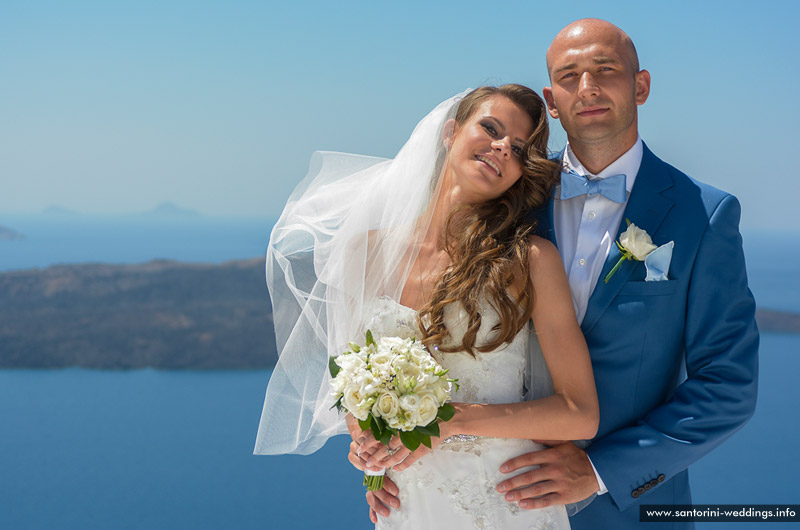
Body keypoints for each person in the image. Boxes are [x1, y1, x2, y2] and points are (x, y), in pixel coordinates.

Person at [359, 19, 759, 530]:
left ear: (641, 85)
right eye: (570, 75)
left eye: (605, 70)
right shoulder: (506, 194)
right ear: (551, 98)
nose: (587, 87)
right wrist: (388, 451)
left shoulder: (704, 215)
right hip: (479, 498)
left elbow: (728, 385)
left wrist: (600, 471)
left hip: (630, 511)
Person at [254, 84, 599, 529]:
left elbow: (580, 414)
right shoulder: (366, 252)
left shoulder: (529, 261)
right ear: (450, 132)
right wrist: (367, 449)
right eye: (490, 128)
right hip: (406, 507)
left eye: (517, 149)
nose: (500, 147)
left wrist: (452, 422)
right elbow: (354, 382)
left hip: (504, 503)